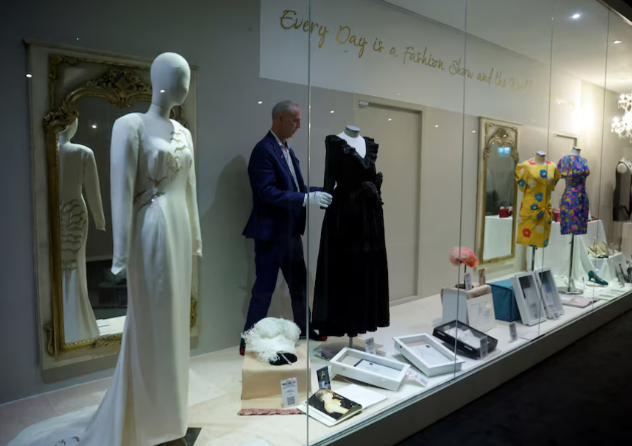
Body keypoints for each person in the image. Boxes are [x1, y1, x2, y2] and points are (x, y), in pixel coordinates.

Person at [241, 100, 332, 355]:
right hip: (271, 235)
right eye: (295, 121)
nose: (299, 126)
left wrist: (323, 192)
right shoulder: (264, 150)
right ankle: (247, 340)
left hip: (290, 233)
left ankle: (305, 329)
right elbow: (266, 193)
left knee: (299, 287)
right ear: (280, 118)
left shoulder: (285, 149)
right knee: (264, 290)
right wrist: (307, 198)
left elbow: (296, 188)